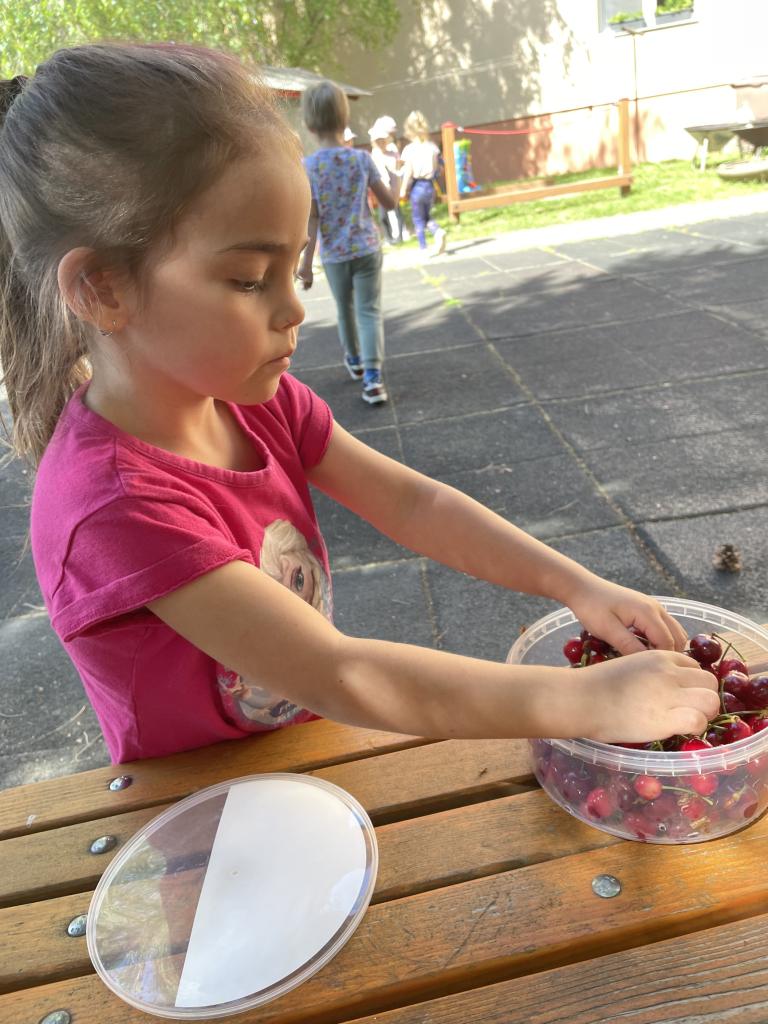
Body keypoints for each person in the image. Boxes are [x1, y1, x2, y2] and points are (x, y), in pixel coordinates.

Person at [0, 46, 718, 767]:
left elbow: (414, 503)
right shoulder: (111, 508)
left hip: (306, 757)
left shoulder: (260, 404)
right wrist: (588, 700)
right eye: (249, 279)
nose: (294, 309)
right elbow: (340, 673)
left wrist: (575, 585)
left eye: (295, 268)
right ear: (102, 289)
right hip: (201, 805)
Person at [298, 81, 393, 406]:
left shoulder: (309, 167)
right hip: (366, 247)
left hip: (335, 255)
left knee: (345, 309)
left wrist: (305, 266)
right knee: (369, 310)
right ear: (344, 118)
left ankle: (353, 359)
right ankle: (373, 378)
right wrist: (395, 182)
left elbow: (312, 219)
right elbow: (389, 203)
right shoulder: (362, 160)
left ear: (309, 124)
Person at [400, 110, 447, 257]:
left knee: (418, 218)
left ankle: (423, 247)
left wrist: (403, 189)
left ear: (408, 130)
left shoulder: (409, 150)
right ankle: (437, 231)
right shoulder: (432, 147)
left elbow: (408, 171)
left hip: (417, 187)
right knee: (426, 215)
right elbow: (439, 167)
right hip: (430, 186)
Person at [369, 117, 406, 245]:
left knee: (397, 210)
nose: (381, 143)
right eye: (378, 141)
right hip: (382, 187)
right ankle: (388, 237)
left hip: (393, 186)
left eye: (382, 140)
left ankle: (400, 236)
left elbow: (397, 168)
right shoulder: (375, 154)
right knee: (383, 214)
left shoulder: (392, 152)